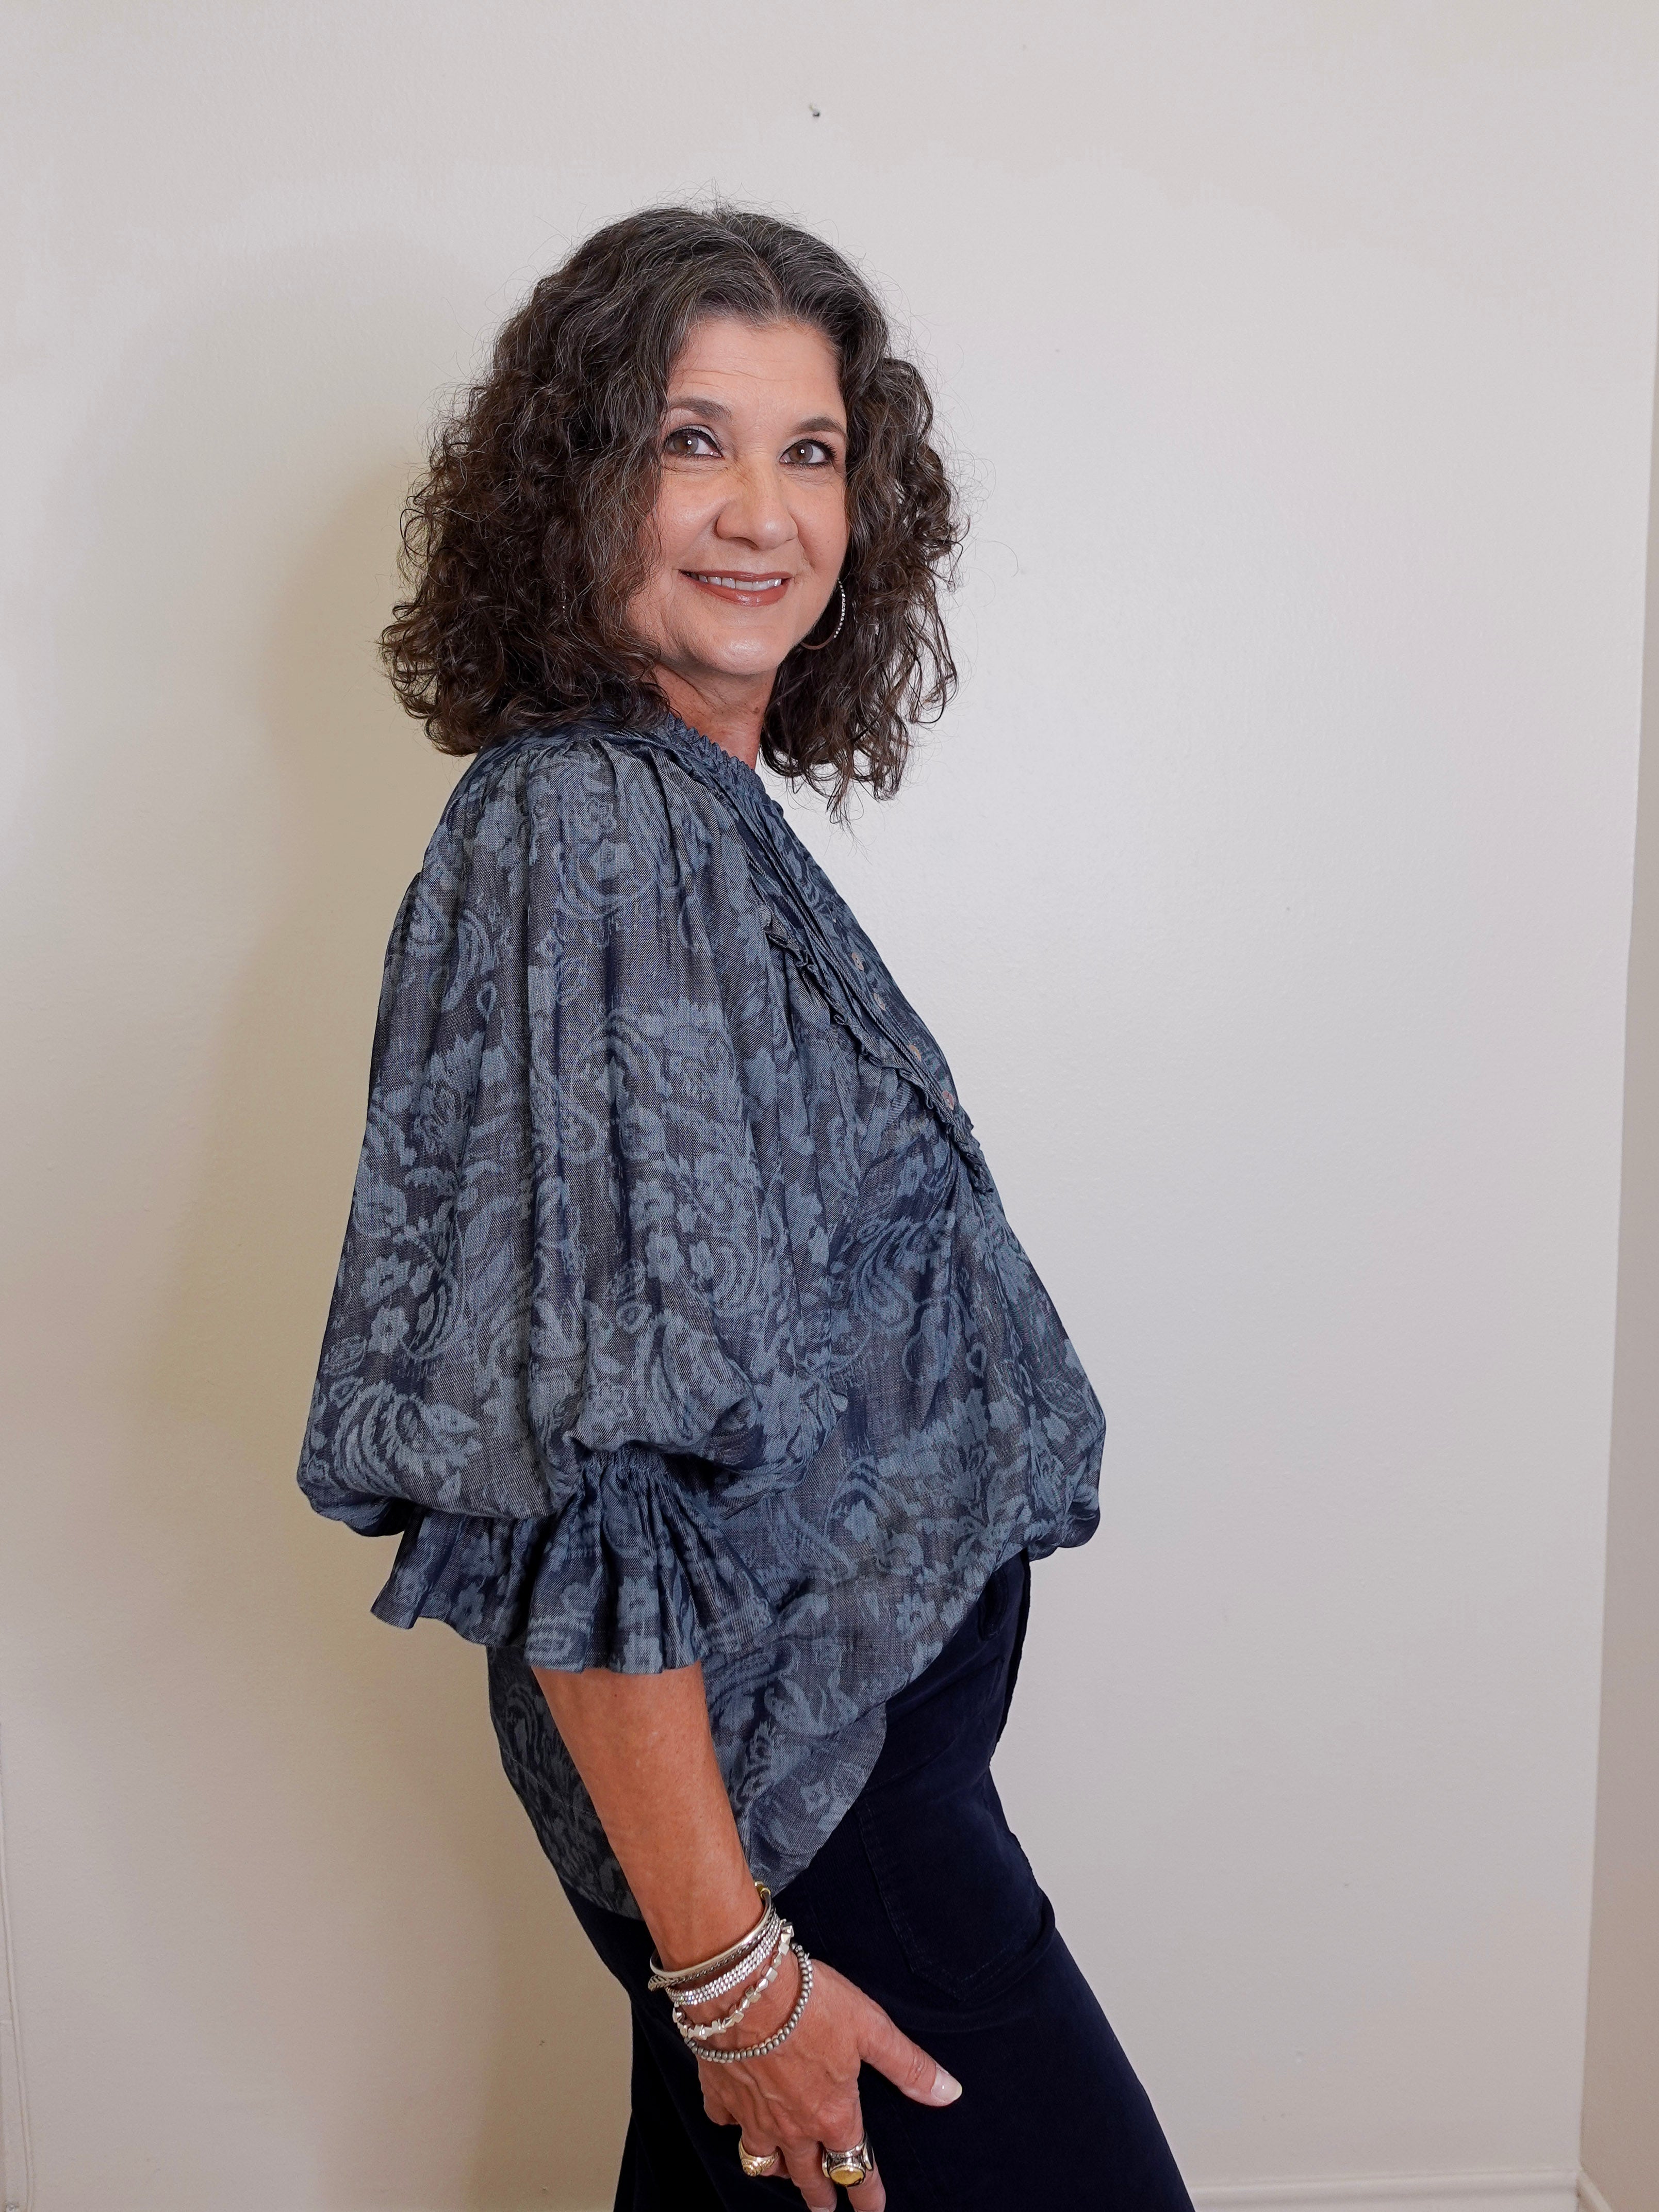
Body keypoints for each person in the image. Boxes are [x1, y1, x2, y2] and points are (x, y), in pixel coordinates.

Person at [298, 203, 1193, 2211]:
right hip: (812, 1823)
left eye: (809, 451)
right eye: (691, 440)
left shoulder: (679, 813)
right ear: (574, 481)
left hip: (813, 1787)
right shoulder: (594, 835)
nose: (760, 512)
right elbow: (584, 1476)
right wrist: (730, 1965)